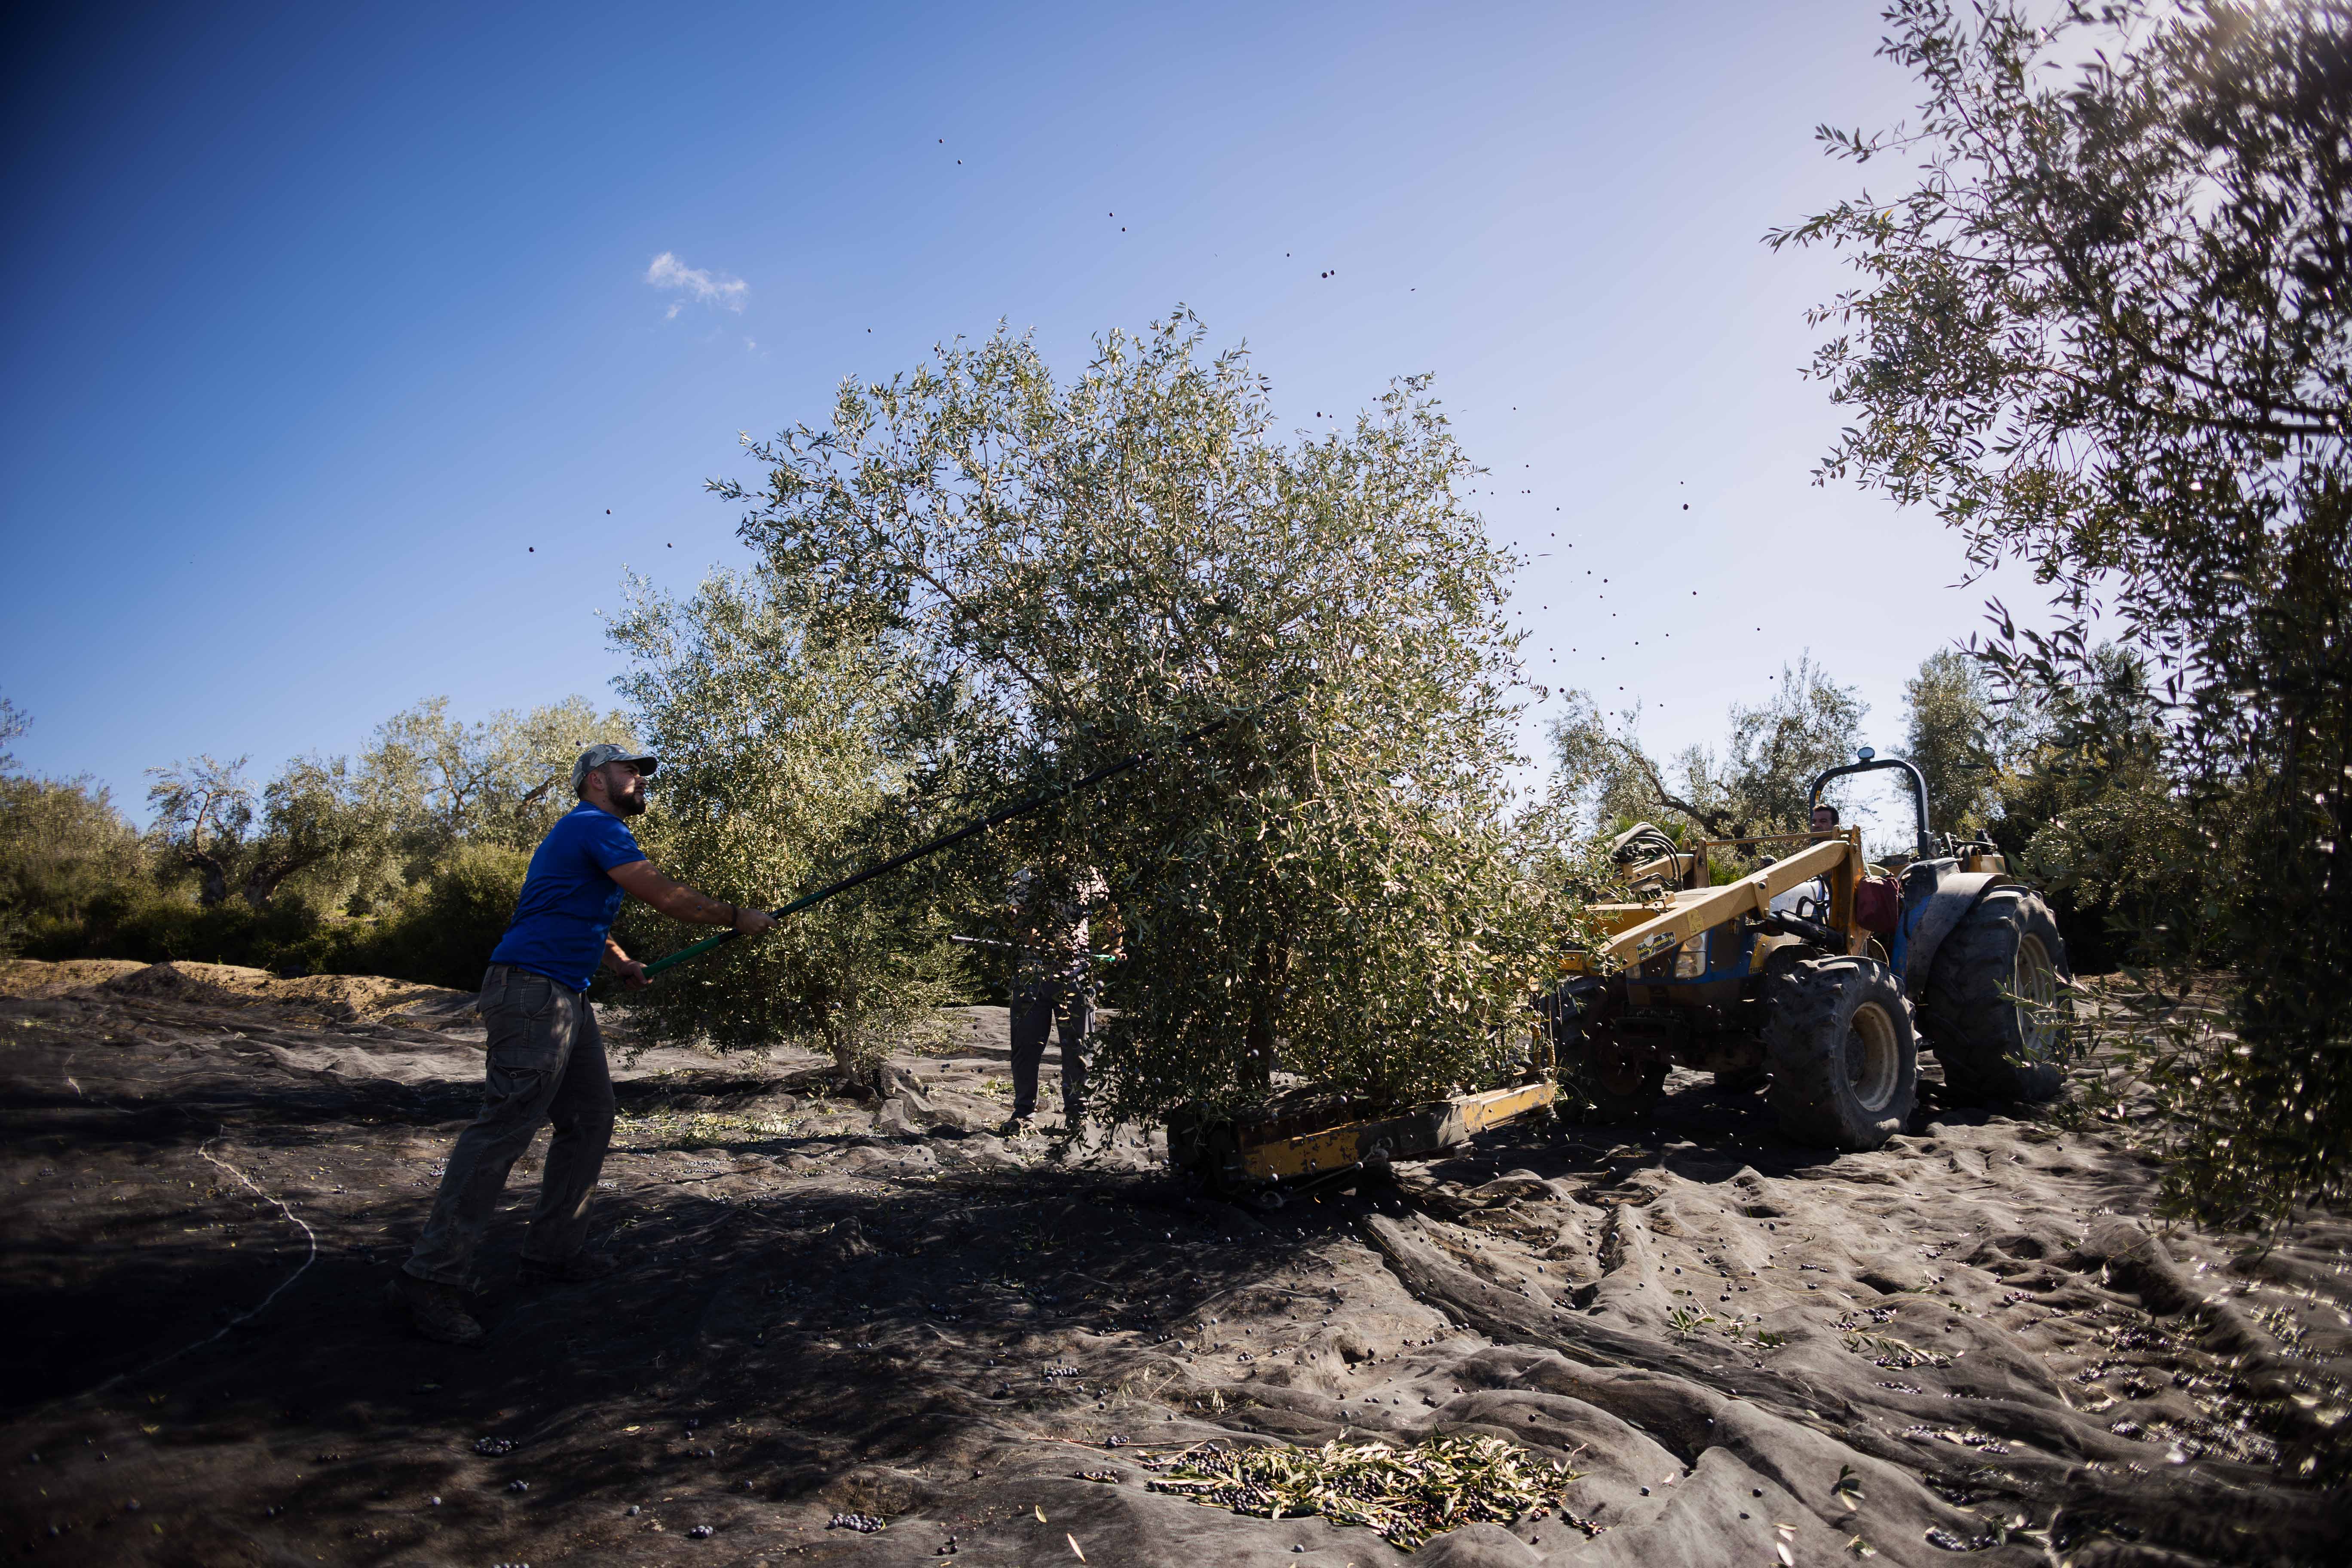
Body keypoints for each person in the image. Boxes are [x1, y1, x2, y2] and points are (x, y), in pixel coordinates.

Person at [391, 742, 775, 1345]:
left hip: (564, 995)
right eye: (631, 771)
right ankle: (430, 1279)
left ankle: (551, 1254)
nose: (642, 781)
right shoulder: (595, 826)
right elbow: (663, 893)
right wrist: (734, 916)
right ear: (597, 780)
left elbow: (577, 914)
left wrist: (620, 960)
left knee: (591, 1119)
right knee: (503, 1130)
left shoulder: (583, 835)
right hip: (532, 994)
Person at [1002, 863, 1115, 1136]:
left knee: (1079, 1047)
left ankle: (1078, 1115)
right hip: (1033, 974)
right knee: (1026, 1047)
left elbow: (1112, 909)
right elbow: (1014, 914)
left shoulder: (1089, 872)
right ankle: (1024, 1113)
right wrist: (1045, 942)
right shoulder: (1027, 873)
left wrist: (1116, 942)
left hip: (1077, 974)